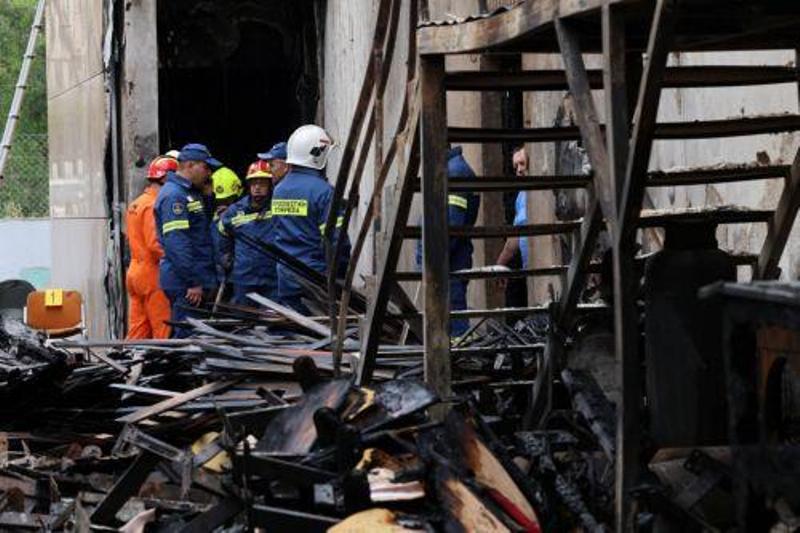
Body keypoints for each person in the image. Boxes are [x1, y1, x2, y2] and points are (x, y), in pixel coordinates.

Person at [270, 125, 350, 314]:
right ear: (318, 155)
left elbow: (277, 230)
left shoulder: (279, 190)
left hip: (286, 275)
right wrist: (342, 272)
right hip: (315, 278)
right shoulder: (324, 192)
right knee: (318, 334)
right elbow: (336, 241)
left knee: (293, 331)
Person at [154, 143, 222, 337]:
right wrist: (192, 281)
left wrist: (209, 197)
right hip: (185, 282)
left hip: (196, 276)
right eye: (206, 167)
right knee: (187, 337)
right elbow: (177, 242)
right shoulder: (174, 196)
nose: (209, 173)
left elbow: (202, 226)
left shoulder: (191, 193)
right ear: (190, 165)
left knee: (198, 335)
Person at [415, 146, 480, 337]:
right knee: (447, 319)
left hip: (450, 263)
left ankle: (462, 363)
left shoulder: (454, 172)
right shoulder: (450, 170)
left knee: (454, 322)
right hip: (451, 260)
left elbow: (451, 225)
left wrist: (432, 260)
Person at [124, 156, 176, 339]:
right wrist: (177, 259)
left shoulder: (136, 203)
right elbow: (155, 245)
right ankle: (164, 366)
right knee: (162, 328)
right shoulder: (154, 204)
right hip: (152, 274)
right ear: (166, 178)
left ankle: (127, 362)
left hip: (134, 271)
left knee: (138, 328)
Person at [218, 160, 278, 305]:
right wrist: (226, 256)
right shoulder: (235, 210)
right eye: (254, 183)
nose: (257, 187)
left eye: (262, 183)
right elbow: (222, 233)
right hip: (244, 277)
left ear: (270, 185)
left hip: (272, 277)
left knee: (272, 322)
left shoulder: (278, 207)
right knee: (244, 320)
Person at [495, 146, 530, 270]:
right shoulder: (521, 195)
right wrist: (499, 265)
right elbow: (514, 238)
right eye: (516, 167)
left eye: (522, 163)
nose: (519, 170)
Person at [209, 166, 243, 285]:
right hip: (215, 277)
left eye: (227, 201)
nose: (222, 206)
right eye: (218, 201)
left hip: (237, 276)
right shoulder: (208, 217)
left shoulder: (243, 217)